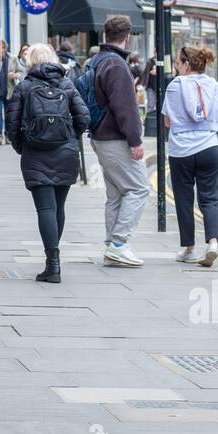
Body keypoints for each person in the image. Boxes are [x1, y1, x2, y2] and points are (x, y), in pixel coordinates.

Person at [5, 44, 89, 284]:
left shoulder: (25, 86)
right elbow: (84, 117)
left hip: (35, 153)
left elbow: (11, 124)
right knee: (58, 208)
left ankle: (52, 264)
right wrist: (71, 138)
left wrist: (22, 147)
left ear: (30, 61)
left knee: (45, 209)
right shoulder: (67, 84)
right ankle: (53, 262)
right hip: (66, 153)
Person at [84, 15, 148, 267]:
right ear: (128, 36)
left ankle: (112, 246)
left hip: (99, 136)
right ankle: (120, 243)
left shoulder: (97, 60)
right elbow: (125, 107)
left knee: (116, 194)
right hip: (115, 138)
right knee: (139, 188)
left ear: (105, 34)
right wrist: (135, 140)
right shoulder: (117, 66)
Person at [165, 45, 218, 267]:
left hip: (181, 150)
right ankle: (212, 244)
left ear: (187, 64)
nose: (176, 67)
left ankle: (189, 249)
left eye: (178, 64)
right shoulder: (213, 84)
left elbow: (167, 121)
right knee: (210, 199)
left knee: (184, 199)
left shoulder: (175, 86)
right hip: (208, 148)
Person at [0, 39, 24, 145]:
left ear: (5, 48)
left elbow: (20, 71)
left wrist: (14, 75)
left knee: (8, 114)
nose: (0, 50)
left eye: (1, 47)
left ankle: (8, 136)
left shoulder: (12, 58)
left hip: (9, 91)